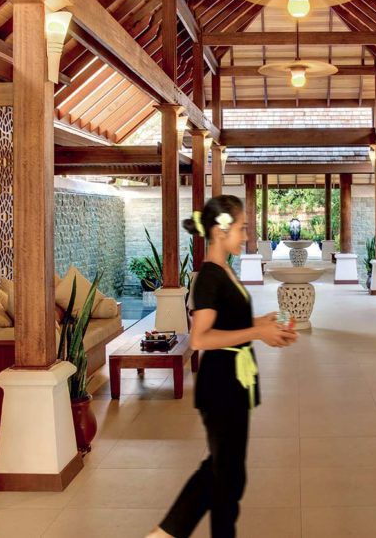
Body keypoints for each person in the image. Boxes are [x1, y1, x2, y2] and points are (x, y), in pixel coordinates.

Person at [148, 195, 298, 538]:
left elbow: (228, 322)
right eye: (242, 228)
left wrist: (263, 323)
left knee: (229, 475)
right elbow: (200, 338)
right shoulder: (209, 277)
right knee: (223, 472)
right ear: (220, 231)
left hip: (235, 381)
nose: (246, 236)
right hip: (220, 385)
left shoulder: (225, 270)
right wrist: (257, 332)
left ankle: (174, 532)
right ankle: (168, 531)